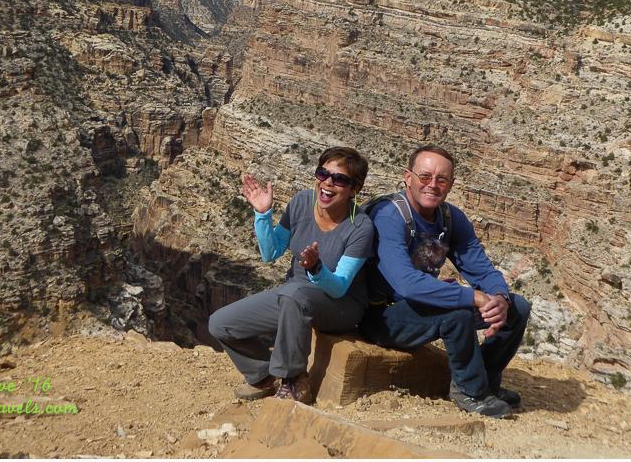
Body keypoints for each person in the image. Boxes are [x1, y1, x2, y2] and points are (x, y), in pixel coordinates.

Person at [360, 144, 530, 419]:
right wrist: (472, 296)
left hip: (421, 308)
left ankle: (485, 381)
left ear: (451, 184)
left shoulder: (451, 218)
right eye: (425, 176)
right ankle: (470, 391)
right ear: (408, 177)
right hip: (381, 316)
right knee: (457, 312)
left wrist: (499, 297)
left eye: (441, 179)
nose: (432, 185)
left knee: (517, 308)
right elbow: (407, 284)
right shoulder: (390, 215)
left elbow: (482, 270)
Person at [208, 147, 373, 403]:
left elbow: (339, 287)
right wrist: (263, 213)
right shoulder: (301, 202)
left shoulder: (360, 227)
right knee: (221, 324)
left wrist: (316, 269)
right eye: (323, 174)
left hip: (341, 306)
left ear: (354, 189)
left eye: (339, 179)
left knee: (294, 294)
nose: (328, 183)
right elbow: (271, 252)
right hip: (293, 296)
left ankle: (294, 380)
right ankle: (263, 376)